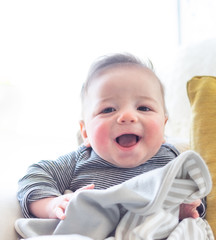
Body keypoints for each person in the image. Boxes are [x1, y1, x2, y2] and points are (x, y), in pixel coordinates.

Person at [17, 53, 205, 222]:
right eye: (108, 109)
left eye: (143, 108)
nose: (127, 116)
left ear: (163, 127)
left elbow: (199, 192)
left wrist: (185, 209)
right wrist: (51, 204)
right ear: (85, 133)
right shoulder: (79, 161)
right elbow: (33, 177)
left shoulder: (173, 161)